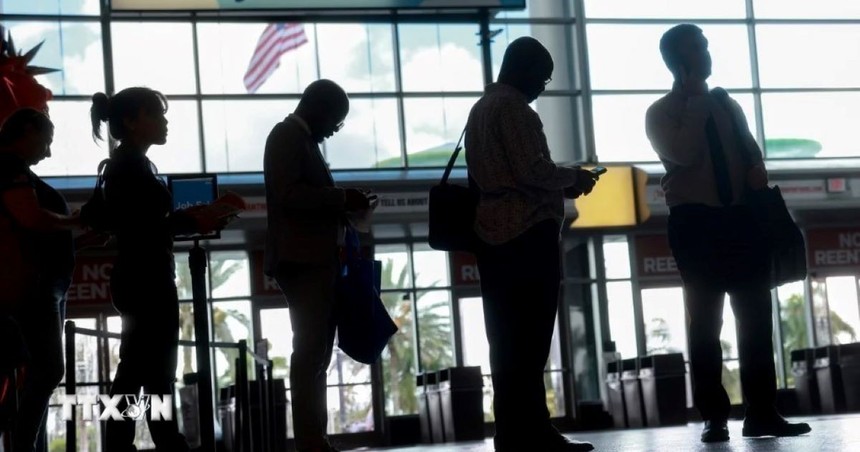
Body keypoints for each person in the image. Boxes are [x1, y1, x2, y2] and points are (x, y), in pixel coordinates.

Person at [645, 24, 811, 443]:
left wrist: (756, 170)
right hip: (695, 224)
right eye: (697, 48)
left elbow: (750, 151)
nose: (706, 52)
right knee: (705, 323)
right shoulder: (661, 112)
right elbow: (683, 153)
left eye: (705, 45)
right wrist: (696, 96)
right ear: (679, 60)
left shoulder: (727, 104)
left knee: (756, 320)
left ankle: (762, 412)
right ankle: (714, 417)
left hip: (740, 220)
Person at [465, 37, 597, 452]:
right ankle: (536, 433)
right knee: (532, 340)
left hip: (490, 236)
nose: (544, 85)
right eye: (542, 76)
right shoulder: (515, 110)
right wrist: (574, 178)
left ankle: (510, 433)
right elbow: (531, 170)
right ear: (521, 69)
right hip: (526, 233)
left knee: (504, 342)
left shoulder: (480, 110)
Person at [90, 87, 225, 452]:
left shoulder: (127, 164)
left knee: (141, 369)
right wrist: (197, 218)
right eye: (156, 114)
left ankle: (150, 441)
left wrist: (192, 219)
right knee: (145, 370)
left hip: (139, 276)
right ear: (133, 121)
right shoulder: (129, 167)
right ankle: (147, 442)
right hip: (146, 278)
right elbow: (145, 228)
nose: (165, 122)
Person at [263, 79, 373, 452]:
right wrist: (342, 197)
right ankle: (310, 440)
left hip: (314, 259)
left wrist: (347, 203)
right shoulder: (286, 136)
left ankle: (316, 436)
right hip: (302, 260)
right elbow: (288, 194)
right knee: (310, 351)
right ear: (319, 109)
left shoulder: (303, 140)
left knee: (317, 353)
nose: (334, 130)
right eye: (336, 121)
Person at [0, 108, 79, 452]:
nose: (47, 152)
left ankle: (22, 443)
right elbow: (30, 218)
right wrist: (75, 222)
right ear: (28, 130)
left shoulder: (17, 172)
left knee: (38, 371)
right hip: (31, 288)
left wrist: (78, 236)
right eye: (45, 142)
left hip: (39, 285)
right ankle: (22, 446)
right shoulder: (8, 167)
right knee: (47, 369)